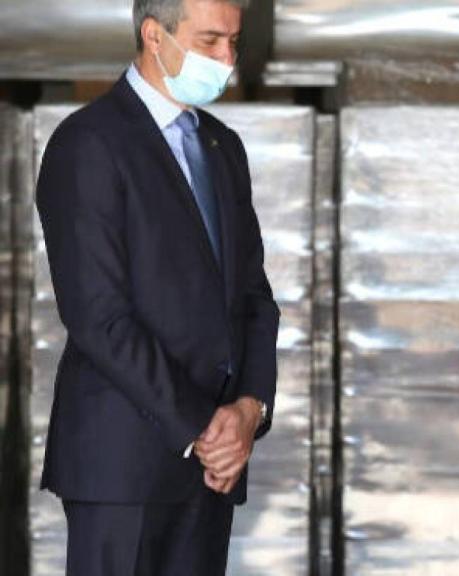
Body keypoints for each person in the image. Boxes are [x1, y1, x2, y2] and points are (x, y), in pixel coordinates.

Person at [34, 0, 279, 574]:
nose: (227, 60)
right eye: (211, 41)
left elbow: (253, 299)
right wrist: (203, 427)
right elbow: (99, 316)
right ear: (154, 35)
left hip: (213, 469)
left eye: (234, 43)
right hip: (124, 466)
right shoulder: (88, 144)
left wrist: (248, 410)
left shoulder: (223, 148)